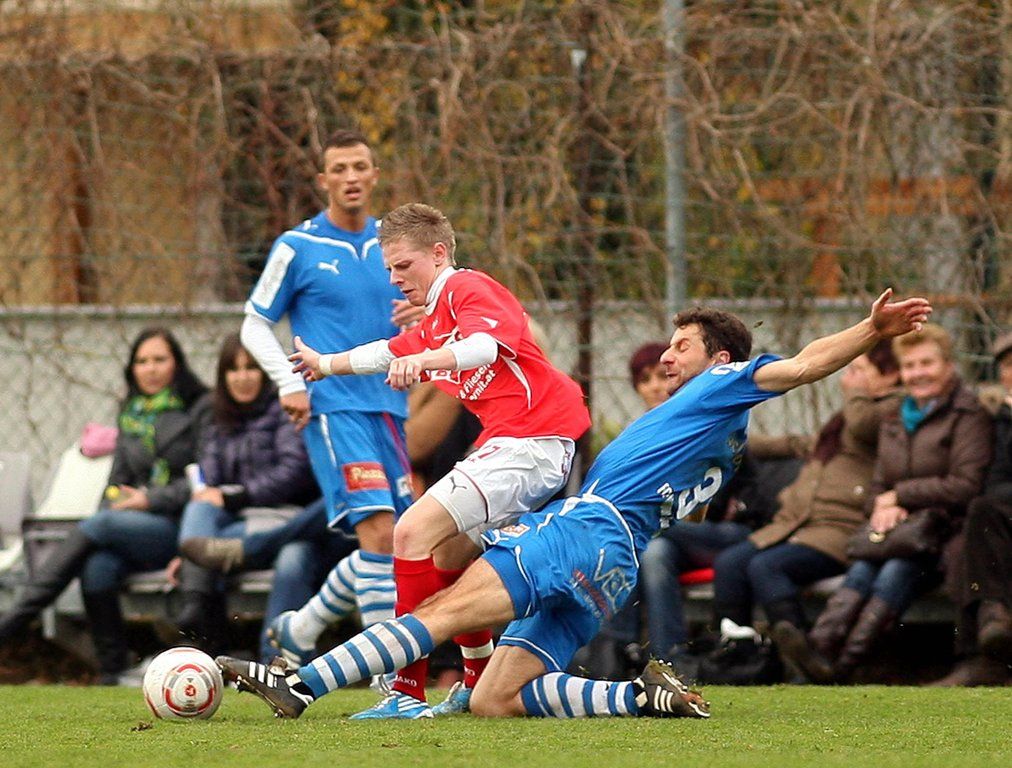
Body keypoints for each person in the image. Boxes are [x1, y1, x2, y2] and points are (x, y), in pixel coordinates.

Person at [217, 288, 931, 720]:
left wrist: (871, 330)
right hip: (615, 566)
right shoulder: (725, 438)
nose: (667, 359)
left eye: (680, 347)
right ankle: (639, 697)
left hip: (587, 529)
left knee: (441, 609)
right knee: (497, 699)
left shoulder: (724, 384)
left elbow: (802, 364)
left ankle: (299, 683)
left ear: (720, 360)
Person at [282, 202, 591, 718]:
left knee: (408, 532)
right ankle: (476, 681)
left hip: (531, 441)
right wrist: (324, 363)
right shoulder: (438, 318)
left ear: (439, 253)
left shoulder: (468, 288)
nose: (394, 278)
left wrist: (423, 360)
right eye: (389, 269)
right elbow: (386, 351)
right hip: (521, 446)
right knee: (447, 553)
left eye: (403, 265)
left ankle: (405, 692)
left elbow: (485, 346)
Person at [239, 129, 416, 682]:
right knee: (380, 533)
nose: (351, 177)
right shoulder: (298, 245)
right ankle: (389, 683)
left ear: (375, 175)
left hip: (391, 409)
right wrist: (288, 383)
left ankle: (300, 629)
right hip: (334, 407)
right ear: (323, 180)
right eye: (339, 168)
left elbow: (431, 309)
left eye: (360, 166)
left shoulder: (394, 246)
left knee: (398, 542)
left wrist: (424, 316)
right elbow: (254, 323)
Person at [776, 324, 993, 683]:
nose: (918, 373)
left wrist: (901, 496)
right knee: (863, 568)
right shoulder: (894, 417)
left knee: (894, 570)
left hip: (944, 535)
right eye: (910, 365)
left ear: (949, 366)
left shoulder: (968, 414)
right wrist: (881, 505)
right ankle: (818, 649)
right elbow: (878, 483)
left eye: (927, 363)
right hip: (897, 534)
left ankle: (842, 665)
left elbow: (967, 485)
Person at [0, 327, 210, 684]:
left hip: (183, 527)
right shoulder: (130, 414)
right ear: (132, 369)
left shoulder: (200, 409)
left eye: (159, 359)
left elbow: (204, 479)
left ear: (177, 363)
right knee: (97, 567)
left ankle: (13, 621)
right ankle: (114, 670)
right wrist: (117, 501)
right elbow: (115, 484)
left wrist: (149, 499)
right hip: (132, 529)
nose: (150, 368)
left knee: (97, 526)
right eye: (142, 361)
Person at [699, 339, 900, 682]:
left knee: (766, 566)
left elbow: (862, 425)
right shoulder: (844, 420)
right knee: (730, 564)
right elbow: (803, 445)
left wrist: (857, 392)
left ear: (890, 375)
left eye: (858, 370)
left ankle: (807, 655)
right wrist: (733, 439)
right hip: (799, 526)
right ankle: (738, 658)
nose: (846, 379)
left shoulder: (892, 409)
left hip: (838, 529)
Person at [171, 334, 354, 663]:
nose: (242, 377)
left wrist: (235, 496)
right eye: (234, 369)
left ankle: (276, 661)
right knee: (199, 505)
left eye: (251, 368)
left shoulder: (288, 407)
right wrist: (197, 540)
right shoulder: (215, 417)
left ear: (267, 372)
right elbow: (209, 479)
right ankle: (198, 596)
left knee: (293, 558)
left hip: (291, 521)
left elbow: (293, 473)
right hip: (237, 529)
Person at [931, 331, 1012, 685]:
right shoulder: (998, 419)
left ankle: (982, 654)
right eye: (1008, 366)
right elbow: (995, 481)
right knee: (976, 526)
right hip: (1002, 518)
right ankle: (987, 637)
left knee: (983, 519)